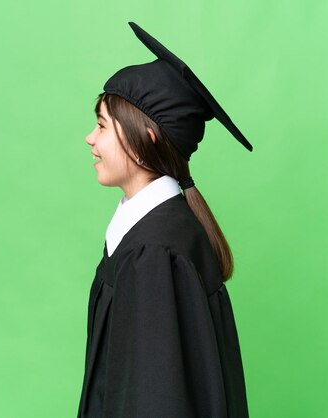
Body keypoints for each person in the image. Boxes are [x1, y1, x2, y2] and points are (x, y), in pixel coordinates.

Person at [77, 21, 252, 418]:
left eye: (103, 124)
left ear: (146, 140)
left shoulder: (152, 254)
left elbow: (156, 402)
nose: (91, 138)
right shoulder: (159, 234)